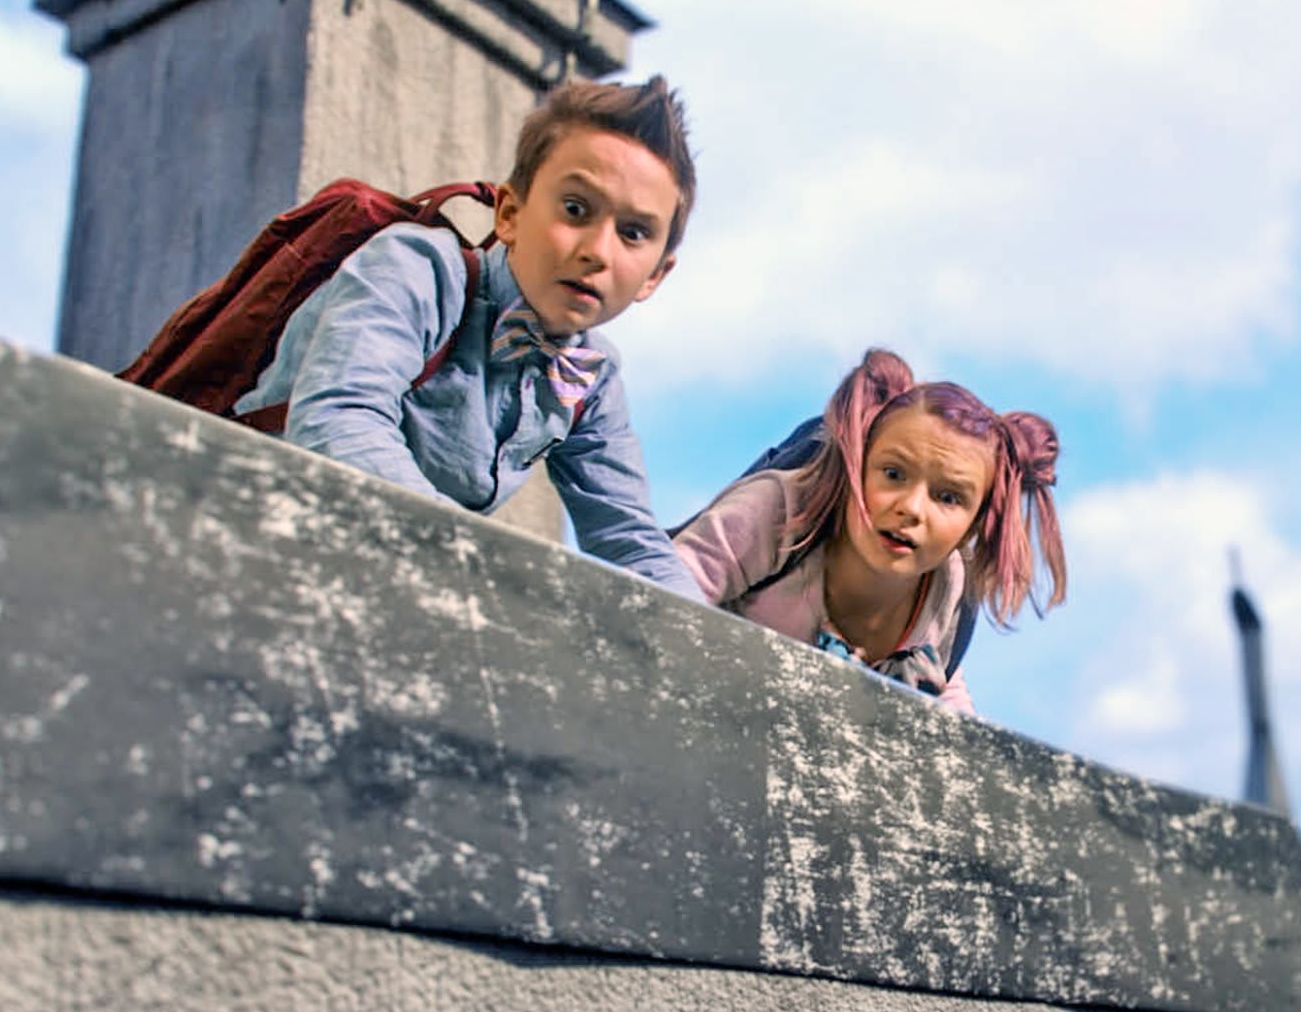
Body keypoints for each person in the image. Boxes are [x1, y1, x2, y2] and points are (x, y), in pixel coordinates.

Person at [233, 77, 702, 600]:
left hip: (372, 585)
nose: (598, 250)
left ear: (655, 275)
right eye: (575, 209)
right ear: (510, 214)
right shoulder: (417, 269)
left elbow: (632, 538)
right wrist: (480, 573)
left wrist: (717, 643)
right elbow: (339, 420)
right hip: (248, 539)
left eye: (633, 233)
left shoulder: (592, 374)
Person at [673, 349, 1067, 713]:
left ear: (971, 528)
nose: (911, 508)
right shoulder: (781, 511)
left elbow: (950, 705)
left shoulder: (950, 594)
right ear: (855, 466)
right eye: (893, 474)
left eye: (948, 497)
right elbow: (660, 595)